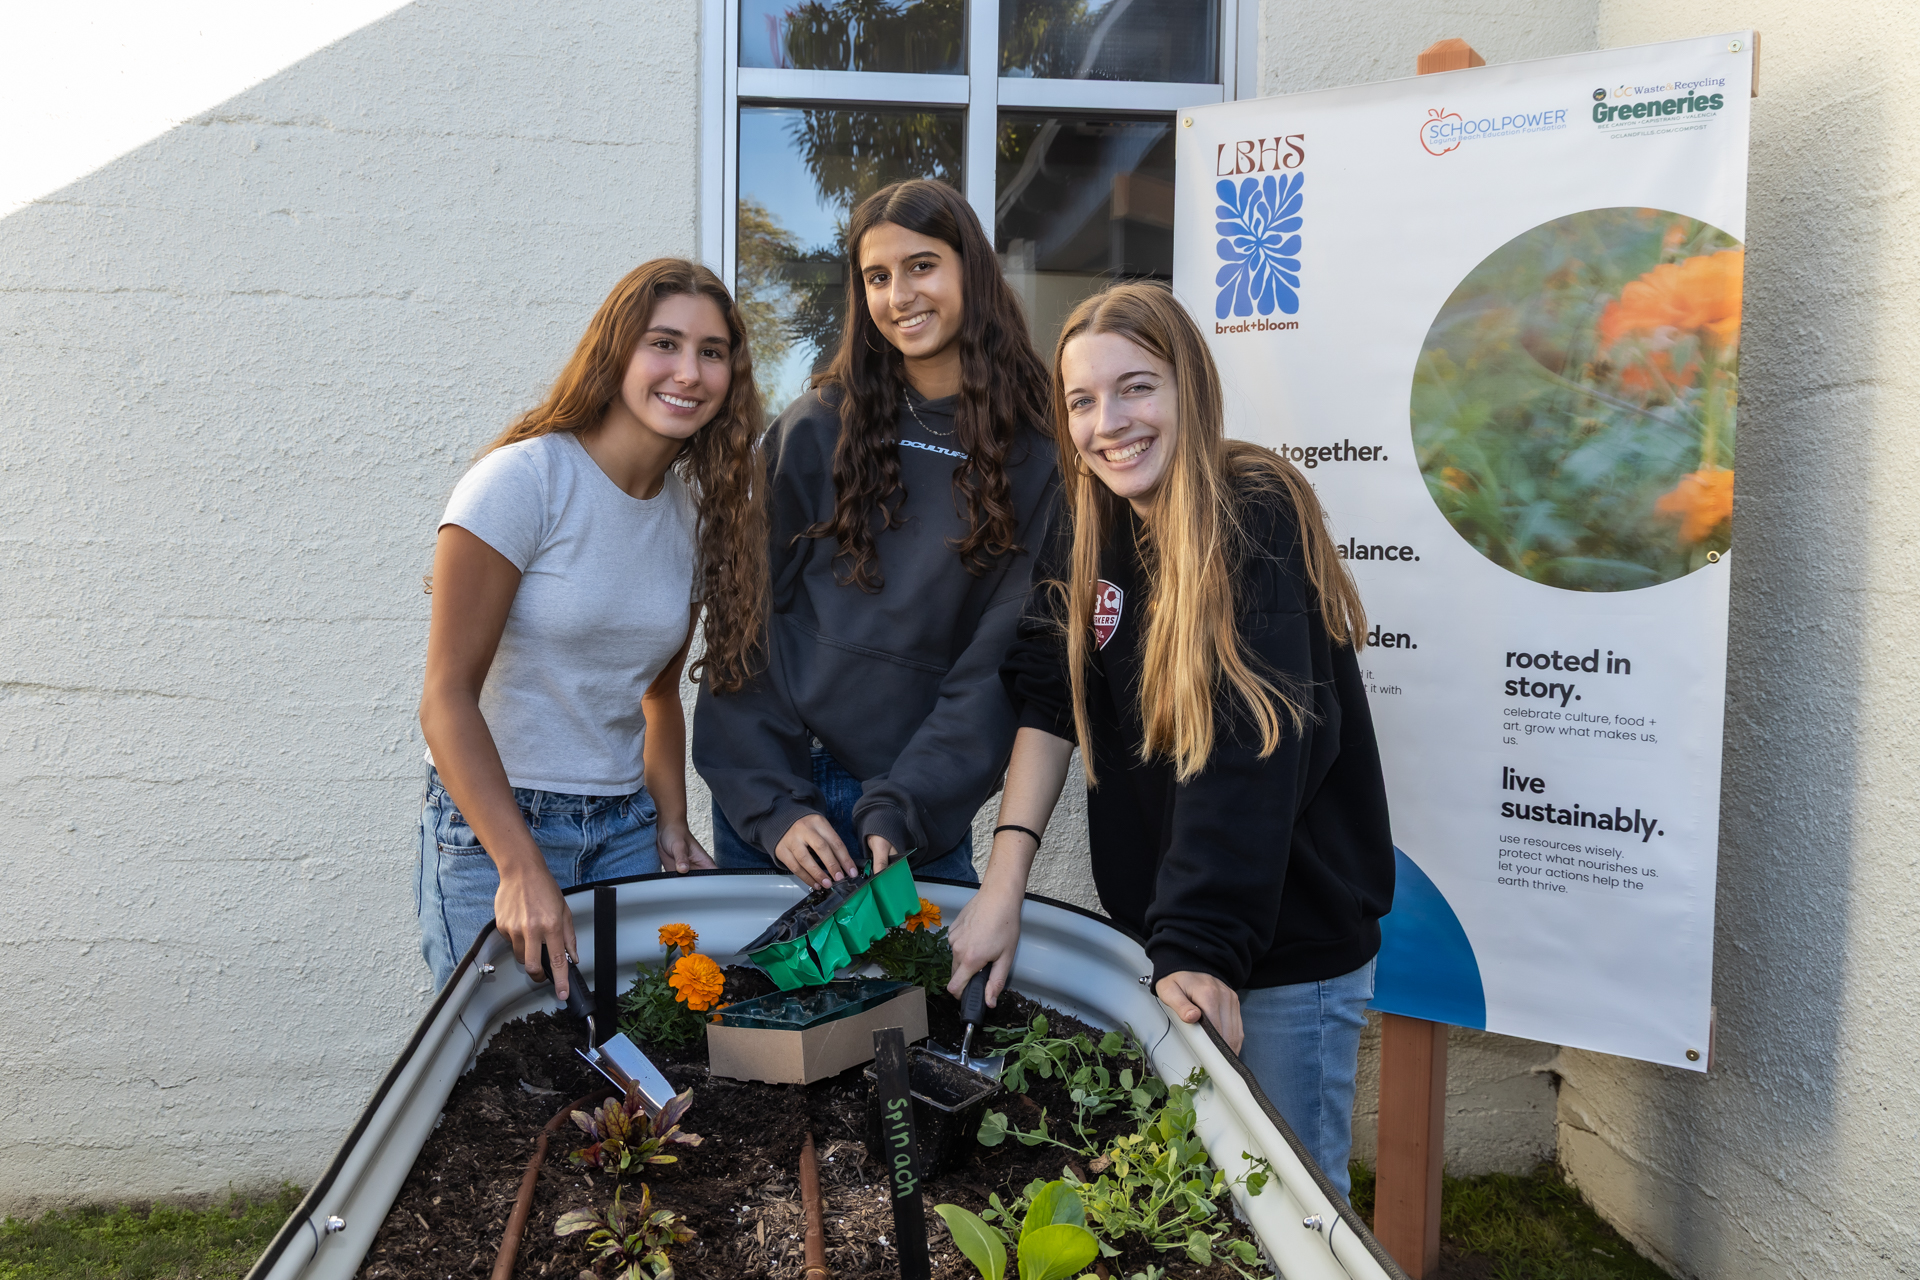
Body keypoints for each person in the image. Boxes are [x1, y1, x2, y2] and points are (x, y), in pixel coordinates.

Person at [945, 282, 1394, 1195]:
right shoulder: (1089, 522)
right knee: (1208, 1207)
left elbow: (1248, 751)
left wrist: (1198, 944)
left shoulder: (1253, 511)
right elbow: (1048, 698)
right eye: (1082, 400)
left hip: (1277, 956)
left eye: (1136, 387)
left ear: (1190, 386)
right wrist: (1004, 887)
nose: (1109, 421)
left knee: (1295, 1212)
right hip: (1179, 945)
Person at [693, 179, 1057, 890]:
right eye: (877, 277)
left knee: (901, 1009)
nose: (900, 296)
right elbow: (743, 620)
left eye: (922, 266)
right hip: (778, 807)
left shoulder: (1037, 455)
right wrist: (770, 803)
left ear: (971, 271)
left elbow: (997, 665)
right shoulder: (815, 426)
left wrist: (906, 805)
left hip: (915, 814)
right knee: (748, 1005)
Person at [416, 259, 767, 995]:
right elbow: (445, 698)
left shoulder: (691, 522)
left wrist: (670, 822)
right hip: (498, 828)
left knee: (616, 1068)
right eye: (664, 344)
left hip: (623, 832)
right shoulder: (522, 482)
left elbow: (658, 698)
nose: (690, 372)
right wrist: (519, 865)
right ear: (616, 353)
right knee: (503, 1080)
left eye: (712, 352)